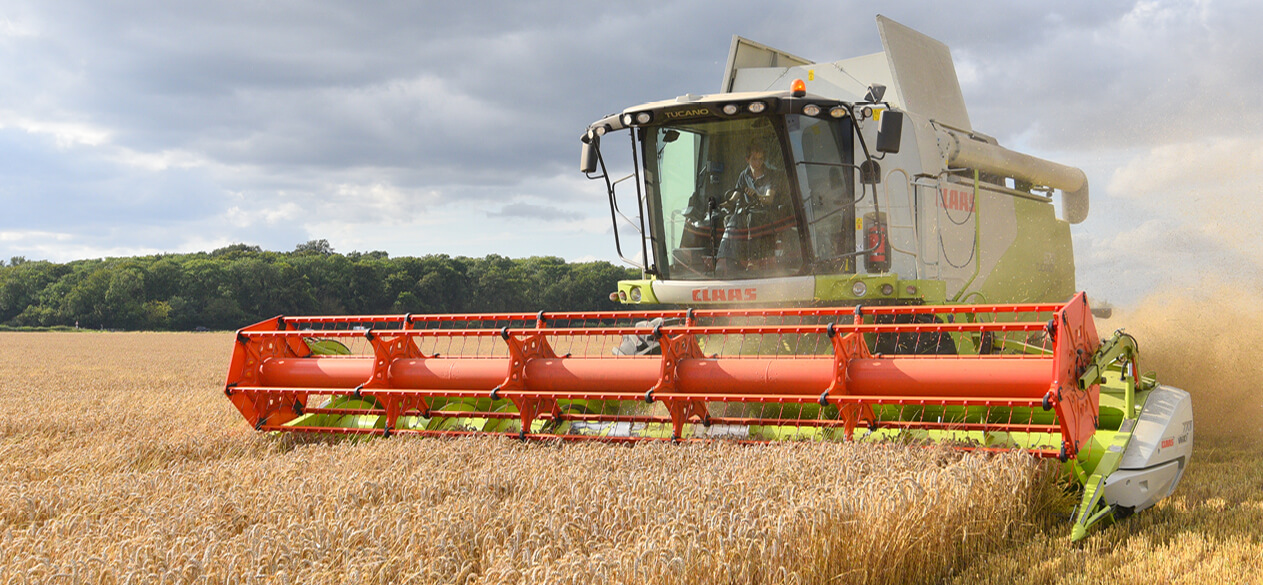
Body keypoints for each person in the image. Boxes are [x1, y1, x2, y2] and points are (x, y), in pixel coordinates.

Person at [715, 141, 799, 276]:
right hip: (748, 212)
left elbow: (769, 199)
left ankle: (752, 260)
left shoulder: (770, 175)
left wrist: (756, 195)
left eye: (760, 159)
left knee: (752, 219)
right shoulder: (744, 175)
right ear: (747, 159)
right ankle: (726, 259)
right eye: (754, 159)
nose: (758, 163)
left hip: (767, 213)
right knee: (730, 219)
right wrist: (723, 204)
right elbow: (736, 195)